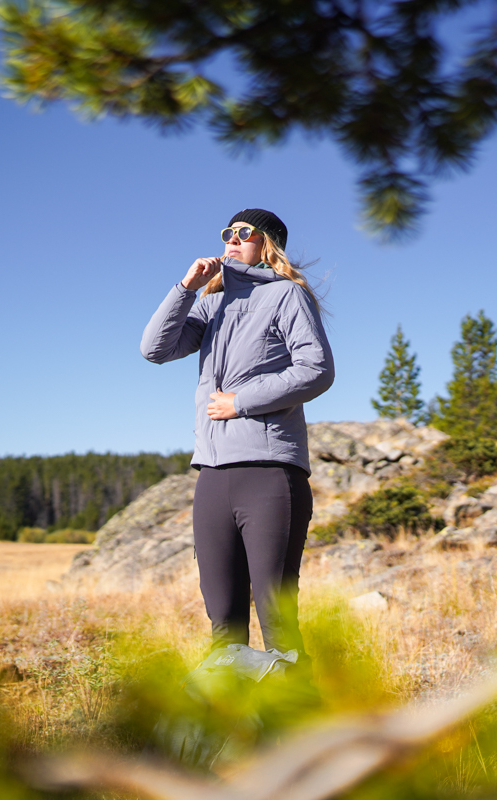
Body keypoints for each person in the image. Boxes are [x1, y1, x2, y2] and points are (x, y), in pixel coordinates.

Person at [141, 208, 333, 658]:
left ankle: (295, 725)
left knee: (276, 619)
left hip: (269, 474)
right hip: (212, 476)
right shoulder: (211, 303)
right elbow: (154, 349)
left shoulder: (287, 295)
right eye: (228, 231)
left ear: (268, 244)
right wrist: (184, 289)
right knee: (223, 621)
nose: (232, 238)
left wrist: (240, 401)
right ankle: (230, 728)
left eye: (244, 232)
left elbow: (317, 370)